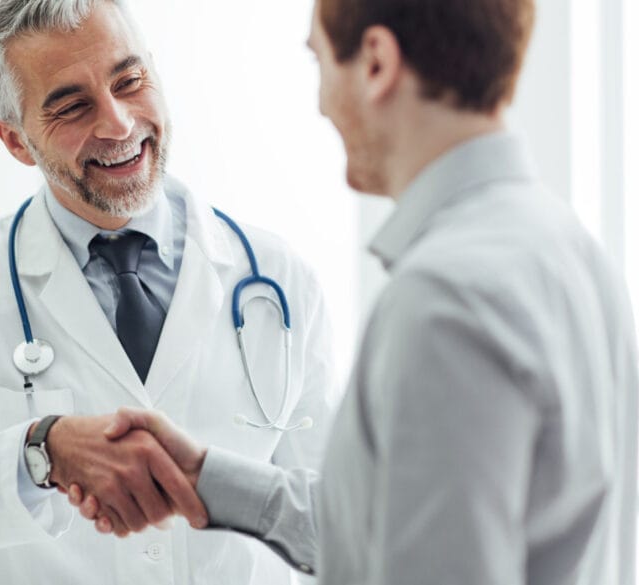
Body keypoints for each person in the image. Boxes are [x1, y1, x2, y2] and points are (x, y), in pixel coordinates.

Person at [70, 0, 639, 584]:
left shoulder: (445, 299)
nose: (320, 105)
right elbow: (395, 525)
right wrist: (203, 479)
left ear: (375, 63)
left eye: (320, 62)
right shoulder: (567, 246)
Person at [0, 0, 333, 583]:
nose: (117, 123)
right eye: (71, 106)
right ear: (15, 140)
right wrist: (43, 449)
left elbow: (332, 518)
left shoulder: (278, 275)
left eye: (129, 81)